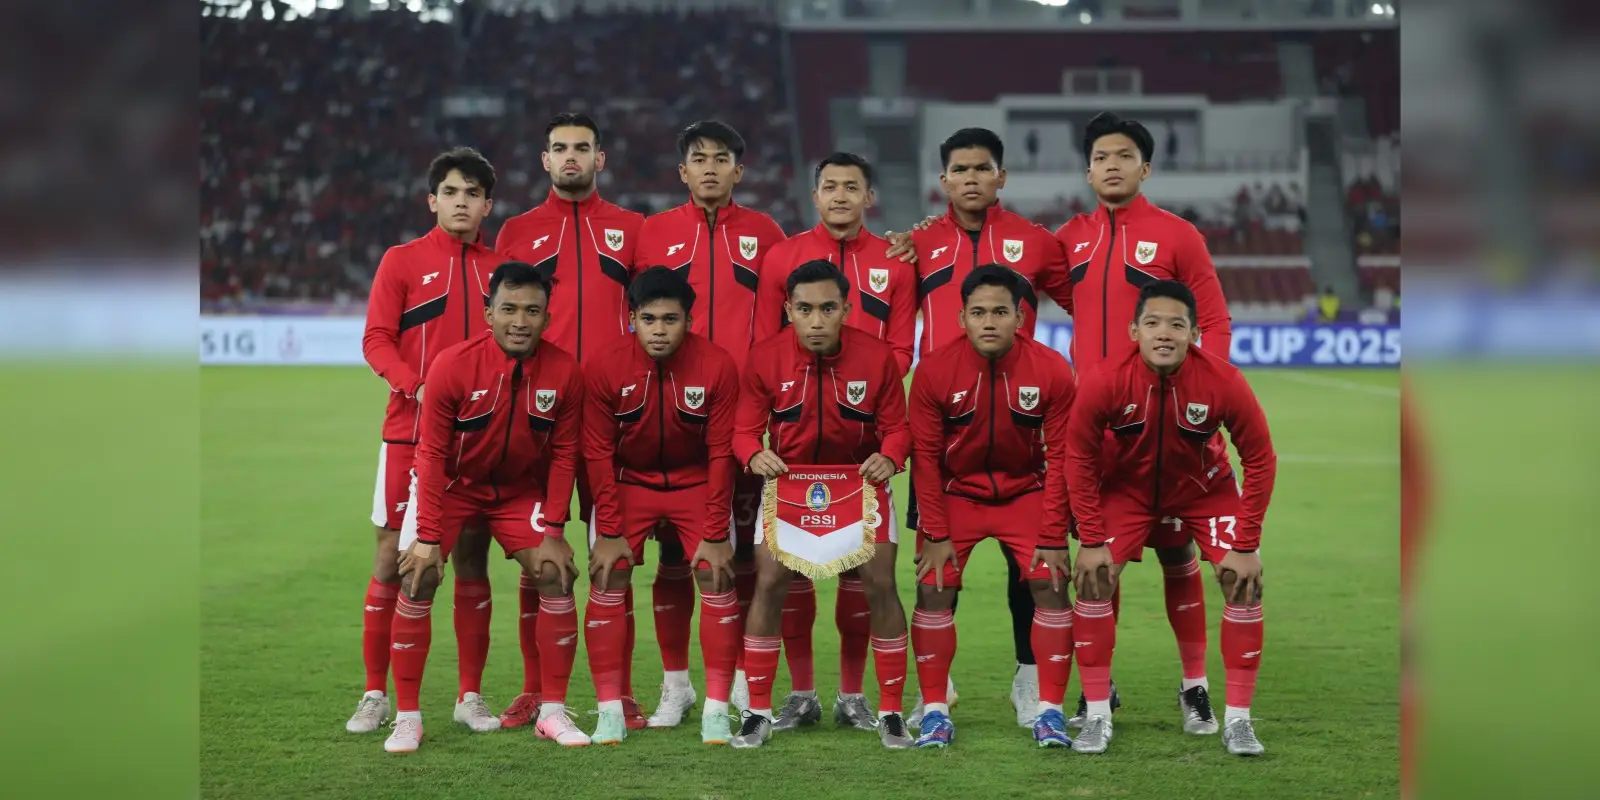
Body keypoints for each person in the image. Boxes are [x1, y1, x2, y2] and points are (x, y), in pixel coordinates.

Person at [886, 127, 1075, 728]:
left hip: (1021, 425)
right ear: (944, 181)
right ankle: (936, 691)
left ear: (1001, 177)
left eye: (982, 168)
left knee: (1032, 573)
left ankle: (1030, 679)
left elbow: (1091, 304)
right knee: (936, 569)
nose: (971, 178)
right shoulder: (917, 244)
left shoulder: (1036, 242)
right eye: (960, 170)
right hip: (944, 426)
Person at [1054, 111, 1235, 730]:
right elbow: (1005, 267)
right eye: (1101, 156)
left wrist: (1203, 399)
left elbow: (1214, 321)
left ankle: (1195, 686)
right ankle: (1098, 692)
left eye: (1125, 156)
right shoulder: (1068, 239)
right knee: (1099, 560)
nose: (1112, 165)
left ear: (1145, 168)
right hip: (1097, 432)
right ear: (1088, 171)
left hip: (1167, 428)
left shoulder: (1178, 235)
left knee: (1178, 555)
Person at [383, 262, 588, 753]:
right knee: (417, 574)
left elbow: (565, 454)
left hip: (515, 491)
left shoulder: (565, 371)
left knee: (555, 572)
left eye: (532, 311)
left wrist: (555, 531)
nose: (520, 321)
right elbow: (431, 455)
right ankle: (407, 718)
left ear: (547, 317)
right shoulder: (452, 365)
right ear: (488, 313)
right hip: (452, 486)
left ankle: (552, 712)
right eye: (509, 309)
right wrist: (428, 536)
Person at [1066, 280, 1276, 757]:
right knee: (1095, 578)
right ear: (1134, 331)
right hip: (1128, 490)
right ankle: (1097, 713)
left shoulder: (1223, 380)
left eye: (1177, 325)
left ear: (1194, 334)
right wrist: (1092, 539)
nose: (1164, 333)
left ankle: (1238, 721)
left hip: (1204, 489)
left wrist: (1245, 545)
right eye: (1153, 323)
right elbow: (1077, 458)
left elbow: (1261, 459)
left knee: (1242, 581)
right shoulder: (1104, 379)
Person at [493, 111, 648, 731]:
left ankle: (621, 693)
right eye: (560, 148)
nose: (571, 157)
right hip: (541, 418)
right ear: (545, 160)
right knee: (540, 559)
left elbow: (650, 314)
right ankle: (536, 690)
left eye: (582, 147)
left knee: (616, 557)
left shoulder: (633, 229)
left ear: (600, 159)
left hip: (616, 416)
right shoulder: (517, 231)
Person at [750, 152, 915, 731]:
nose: (840, 195)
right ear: (814, 194)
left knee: (863, 579)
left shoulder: (897, 259)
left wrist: (857, 383)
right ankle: (797, 695)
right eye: (830, 186)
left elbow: (900, 349)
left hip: (858, 456)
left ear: (869, 196)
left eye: (852, 186)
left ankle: (855, 696)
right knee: (785, 576)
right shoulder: (781, 257)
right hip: (793, 468)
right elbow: (765, 348)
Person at [633, 119, 788, 716]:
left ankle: (745, 674)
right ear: (683, 171)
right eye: (699, 158)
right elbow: (638, 318)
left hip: (746, 418)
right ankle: (676, 684)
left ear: (738, 170)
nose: (710, 168)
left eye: (721, 158)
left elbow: (785, 318)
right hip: (673, 418)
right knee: (675, 556)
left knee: (742, 552)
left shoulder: (767, 233)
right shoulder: (654, 233)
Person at [350, 147, 507, 736]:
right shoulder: (402, 261)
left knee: (470, 559)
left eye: (473, 194)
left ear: (487, 205)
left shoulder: (503, 269)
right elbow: (376, 339)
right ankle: (375, 693)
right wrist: (415, 385)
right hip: (409, 433)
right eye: (451, 192)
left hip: (481, 443)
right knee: (392, 557)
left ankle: (470, 695)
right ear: (432, 200)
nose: (461, 202)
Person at [906, 265, 1079, 749]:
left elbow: (1063, 457)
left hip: (1025, 493)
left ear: (1020, 317)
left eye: (1000, 312)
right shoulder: (933, 370)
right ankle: (935, 709)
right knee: (933, 588)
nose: (988, 321)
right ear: (961, 317)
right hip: (956, 494)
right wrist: (936, 534)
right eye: (978, 312)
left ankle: (1049, 710)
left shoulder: (1051, 369)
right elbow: (925, 461)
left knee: (1050, 582)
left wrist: (1052, 534)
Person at [581, 267, 742, 746]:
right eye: (648, 319)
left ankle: (716, 710)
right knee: (608, 572)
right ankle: (609, 711)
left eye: (670, 320)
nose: (658, 330)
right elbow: (597, 452)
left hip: (696, 482)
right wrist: (609, 531)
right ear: (631, 318)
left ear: (689, 320)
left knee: (716, 572)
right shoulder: (604, 365)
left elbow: (721, 454)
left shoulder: (717, 365)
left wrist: (716, 533)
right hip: (629, 483)